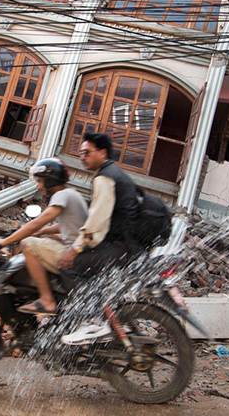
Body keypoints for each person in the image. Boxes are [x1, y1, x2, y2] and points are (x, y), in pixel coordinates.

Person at [58, 131, 139, 345]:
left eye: (86, 152)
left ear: (102, 152)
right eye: (81, 153)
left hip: (119, 248)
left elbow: (96, 223)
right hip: (129, 246)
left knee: (68, 266)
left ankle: (90, 321)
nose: (82, 157)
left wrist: (74, 250)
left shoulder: (104, 177)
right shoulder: (115, 173)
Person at [0, 158, 88, 315]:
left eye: (41, 181)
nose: (39, 186)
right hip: (82, 253)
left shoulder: (60, 195)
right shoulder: (72, 194)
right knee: (38, 240)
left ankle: (46, 300)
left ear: (50, 180)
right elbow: (67, 225)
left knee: (28, 244)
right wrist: (42, 232)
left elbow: (37, 222)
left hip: (73, 256)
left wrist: (4, 241)